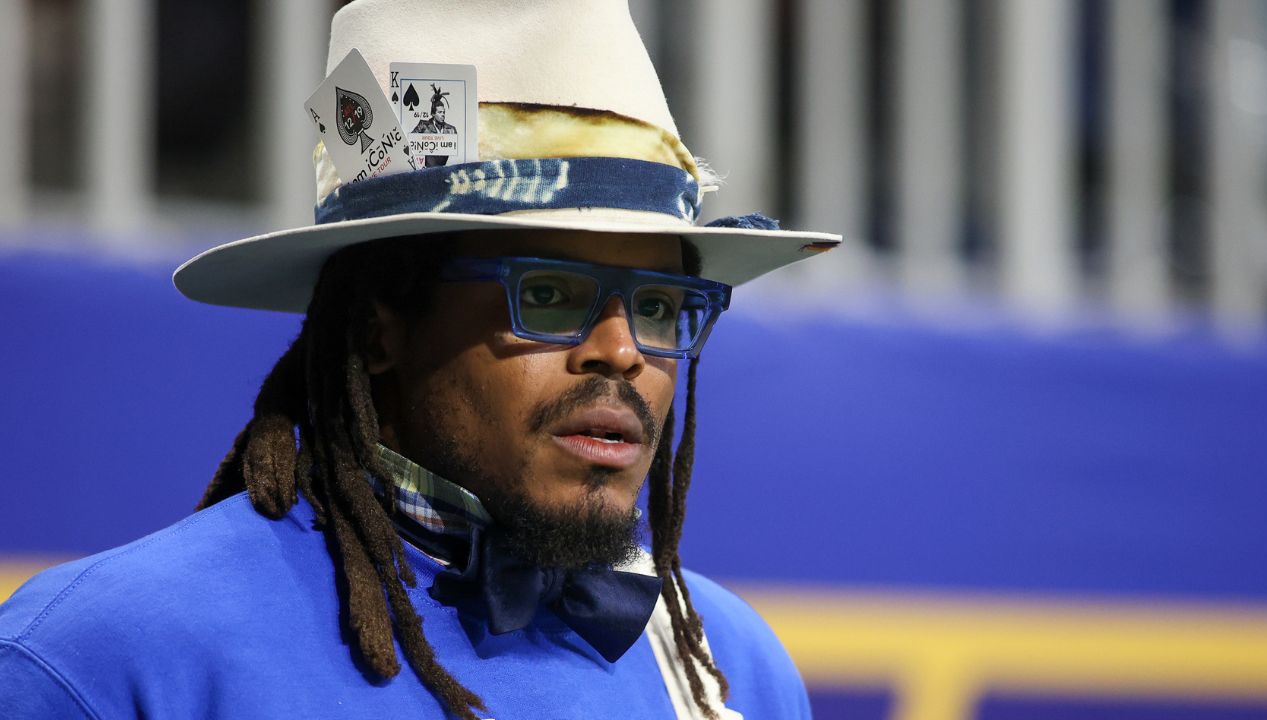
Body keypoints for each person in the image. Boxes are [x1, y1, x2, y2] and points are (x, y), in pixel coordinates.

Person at [0, 1, 838, 718]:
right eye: (550, 294)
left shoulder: (728, 669)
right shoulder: (103, 658)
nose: (621, 352)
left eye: (659, 307)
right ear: (380, 329)